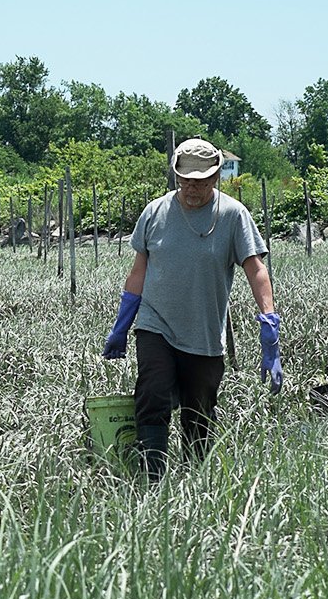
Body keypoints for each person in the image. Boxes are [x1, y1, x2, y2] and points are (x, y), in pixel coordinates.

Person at [101, 137, 281, 481]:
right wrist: (122, 325)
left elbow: (256, 270)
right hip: (156, 326)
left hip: (204, 335)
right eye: (185, 180)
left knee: (199, 413)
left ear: (216, 178)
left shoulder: (232, 216)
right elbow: (138, 271)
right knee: (152, 395)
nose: (191, 188)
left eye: (200, 181)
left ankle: (194, 483)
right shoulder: (155, 212)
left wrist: (269, 327)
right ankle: (151, 482)